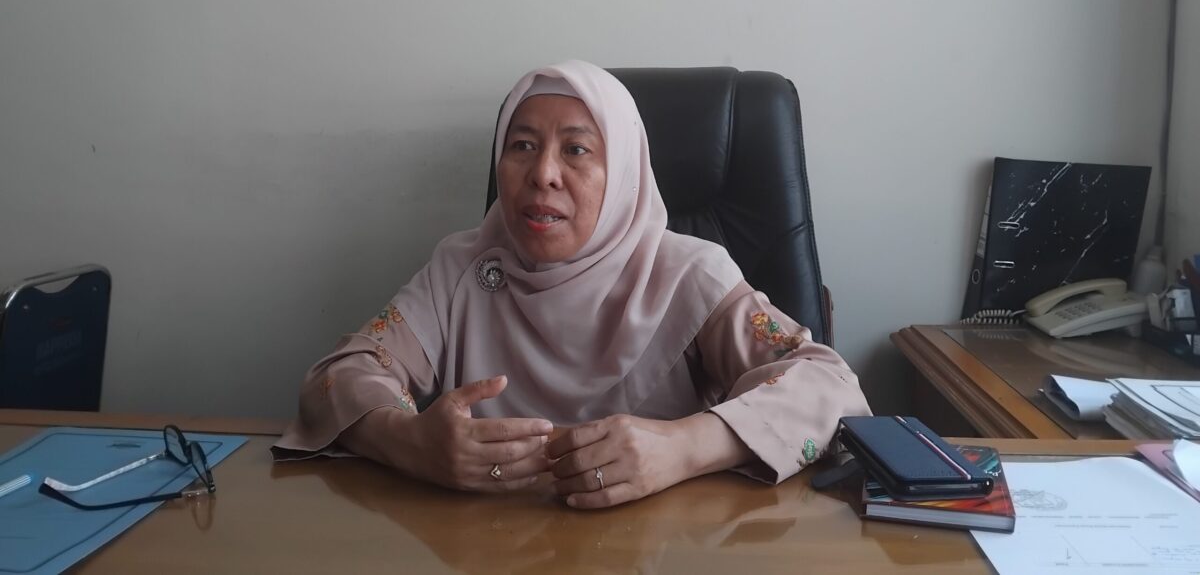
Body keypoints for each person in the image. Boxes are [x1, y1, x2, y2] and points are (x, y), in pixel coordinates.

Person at [273, 60, 871, 509]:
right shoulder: (463, 269)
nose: (543, 174)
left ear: (625, 174)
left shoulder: (689, 276)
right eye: (522, 146)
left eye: (577, 150)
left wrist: (683, 447)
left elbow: (834, 388)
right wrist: (409, 440)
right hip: (484, 548)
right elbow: (339, 376)